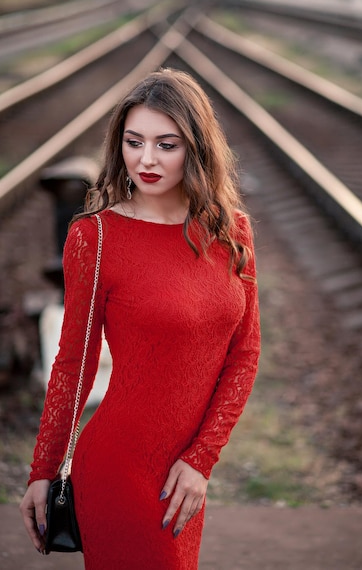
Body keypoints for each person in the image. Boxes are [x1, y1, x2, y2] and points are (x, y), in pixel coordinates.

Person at [20, 68, 261, 569]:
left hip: (184, 478)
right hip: (118, 466)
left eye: (165, 144)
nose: (146, 160)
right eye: (134, 142)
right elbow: (73, 365)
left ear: (196, 149)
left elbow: (245, 354)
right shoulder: (96, 237)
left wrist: (200, 460)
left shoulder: (232, 232)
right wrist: (42, 469)